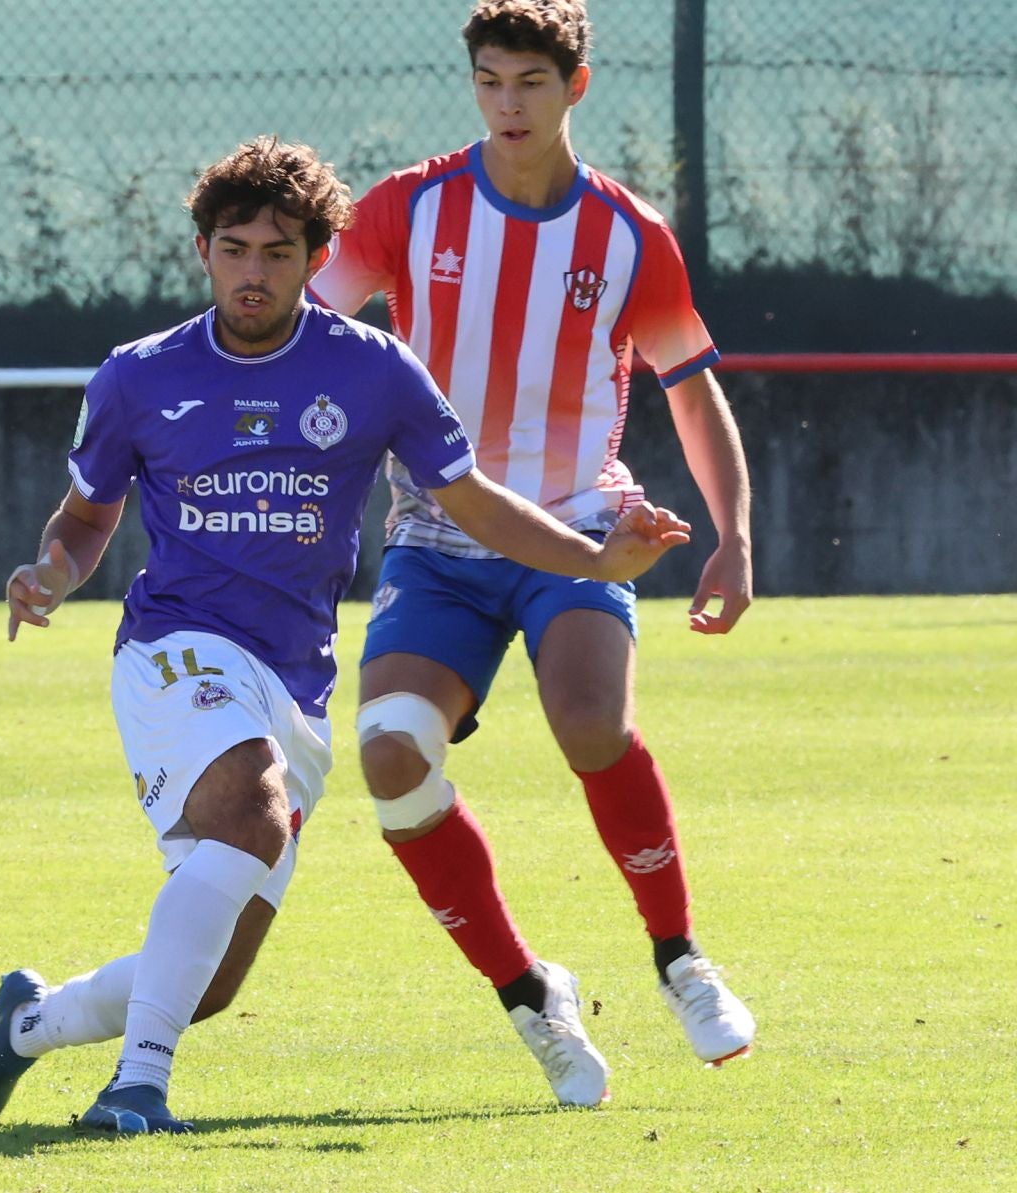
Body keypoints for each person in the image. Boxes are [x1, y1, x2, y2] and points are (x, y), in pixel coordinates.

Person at [0, 135, 690, 1134]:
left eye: (277, 251)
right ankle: (136, 1086)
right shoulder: (137, 376)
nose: (253, 272)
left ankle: (29, 1025)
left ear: (315, 257)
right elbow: (85, 517)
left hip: (292, 681)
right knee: (252, 809)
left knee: (208, 977)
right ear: (204, 251)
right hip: (175, 651)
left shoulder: (375, 371)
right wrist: (51, 571)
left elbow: (471, 500)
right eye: (234, 249)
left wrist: (595, 560)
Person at [306, 0, 756, 1107]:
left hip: (575, 535)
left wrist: (736, 538)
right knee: (391, 753)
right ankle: (527, 993)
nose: (508, 104)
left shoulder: (628, 234)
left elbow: (694, 398)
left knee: (593, 724)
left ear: (577, 88)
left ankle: (679, 958)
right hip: (436, 540)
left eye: (531, 84)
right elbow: (298, 335)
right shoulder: (405, 210)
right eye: (490, 81)